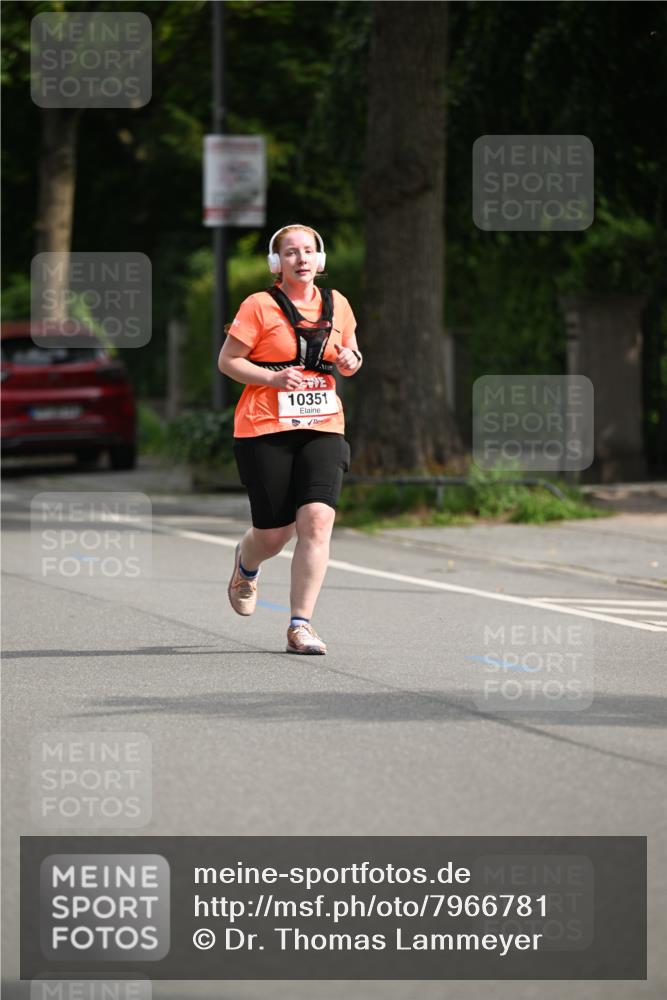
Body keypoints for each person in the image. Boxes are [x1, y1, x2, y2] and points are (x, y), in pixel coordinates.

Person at [218, 224, 362, 655]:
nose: (301, 258)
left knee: (317, 519)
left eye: (308, 251)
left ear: (319, 260)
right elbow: (228, 361)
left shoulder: (338, 304)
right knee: (274, 534)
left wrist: (352, 360)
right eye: (291, 252)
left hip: (323, 425)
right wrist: (272, 379)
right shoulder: (258, 306)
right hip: (264, 426)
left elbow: (350, 354)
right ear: (276, 262)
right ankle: (247, 565)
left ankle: (301, 626)